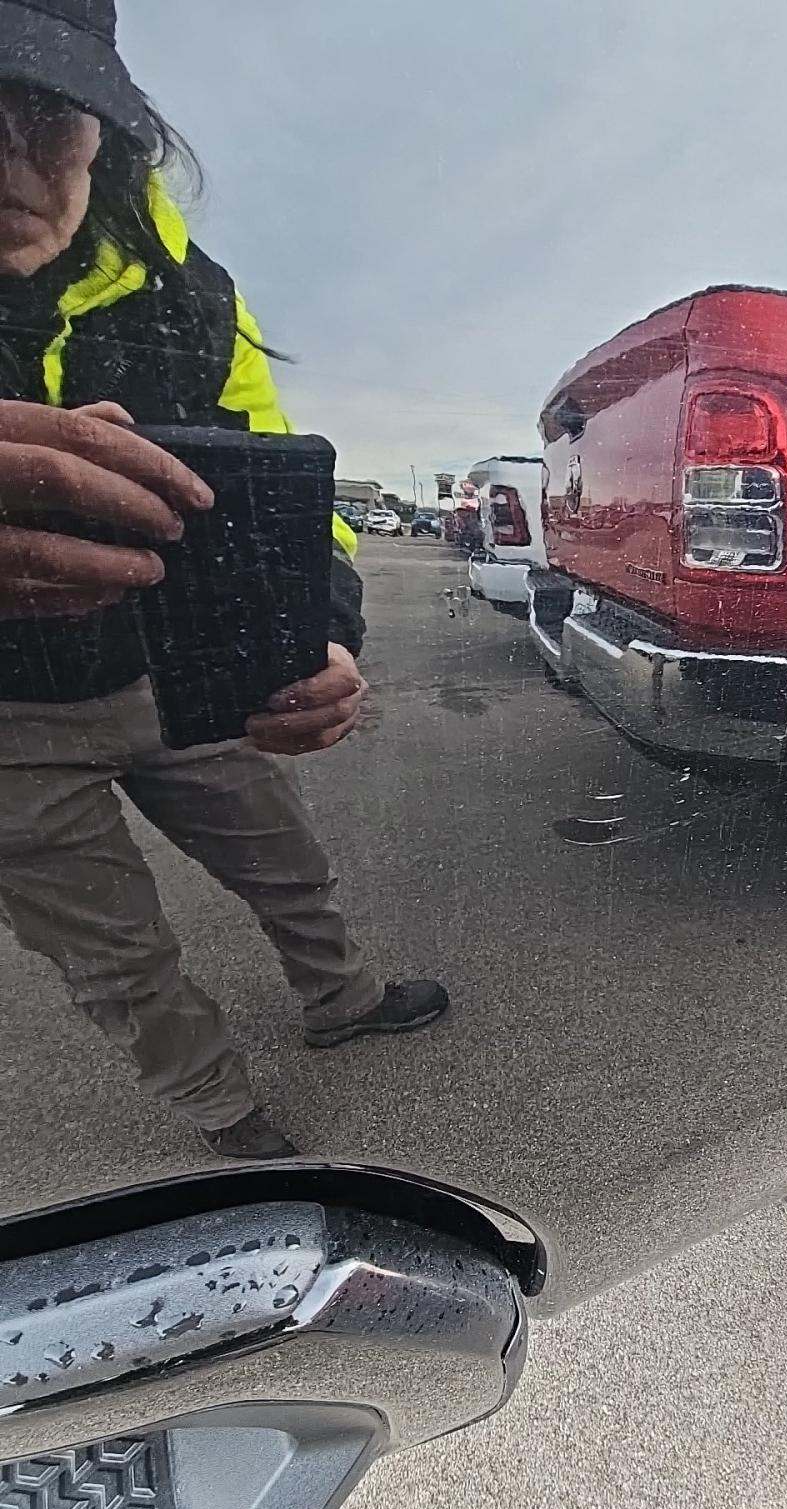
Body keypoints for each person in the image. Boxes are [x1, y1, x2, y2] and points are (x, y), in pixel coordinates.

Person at [0, 0, 448, 1160]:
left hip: (176, 672)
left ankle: (342, 996)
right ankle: (222, 1111)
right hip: (9, 729)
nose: (7, 158)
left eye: (44, 109)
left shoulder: (188, 291)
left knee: (288, 858)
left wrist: (319, 635)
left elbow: (282, 484)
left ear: (107, 128)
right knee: (113, 950)